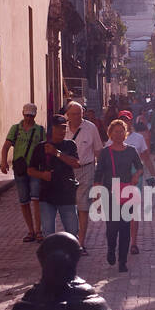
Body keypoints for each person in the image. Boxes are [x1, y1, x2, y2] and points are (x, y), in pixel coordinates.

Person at [95, 119, 144, 272]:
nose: (119, 134)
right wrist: (97, 192)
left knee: (124, 228)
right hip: (110, 193)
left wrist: (136, 175)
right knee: (112, 227)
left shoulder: (131, 150)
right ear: (110, 133)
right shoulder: (105, 152)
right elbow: (99, 173)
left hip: (126, 192)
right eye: (115, 132)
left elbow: (140, 167)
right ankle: (111, 248)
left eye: (121, 131)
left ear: (125, 133)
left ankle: (122, 261)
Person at [110, 115, 155, 256]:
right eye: (122, 119)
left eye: (127, 119)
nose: (125, 122)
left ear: (131, 121)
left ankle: (134, 243)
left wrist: (154, 175)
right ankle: (121, 240)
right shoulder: (112, 137)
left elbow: (146, 158)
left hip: (135, 175)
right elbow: (105, 156)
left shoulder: (138, 138)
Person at [29, 114, 81, 237]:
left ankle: (72, 253)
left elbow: (76, 163)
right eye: (58, 128)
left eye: (64, 128)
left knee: (73, 231)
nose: (62, 131)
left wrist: (56, 153)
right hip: (47, 195)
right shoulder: (40, 147)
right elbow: (30, 170)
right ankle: (50, 255)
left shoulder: (70, 145)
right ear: (51, 129)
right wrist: (42, 175)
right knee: (48, 232)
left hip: (66, 194)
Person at [0, 103, 46, 242]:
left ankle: (38, 230)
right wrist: (3, 162)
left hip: (35, 169)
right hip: (20, 169)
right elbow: (6, 146)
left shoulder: (39, 130)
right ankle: (30, 230)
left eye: (31, 115)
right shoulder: (16, 129)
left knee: (36, 199)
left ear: (35, 115)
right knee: (24, 200)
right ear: (23, 114)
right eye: (27, 115)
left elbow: (45, 149)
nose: (28, 118)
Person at [65, 101, 105, 255]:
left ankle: (80, 243)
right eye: (74, 114)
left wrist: (99, 178)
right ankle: (71, 239)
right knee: (69, 206)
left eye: (80, 114)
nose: (77, 117)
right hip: (67, 171)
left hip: (87, 168)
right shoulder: (62, 128)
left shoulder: (91, 128)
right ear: (68, 115)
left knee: (83, 207)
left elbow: (98, 152)